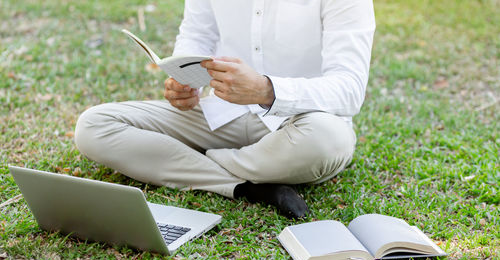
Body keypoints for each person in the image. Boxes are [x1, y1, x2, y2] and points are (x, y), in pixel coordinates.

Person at [74, 0, 376, 219]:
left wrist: (266, 89)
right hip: (219, 114)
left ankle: (194, 161)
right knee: (94, 126)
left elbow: (349, 88)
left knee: (326, 141)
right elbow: (196, 36)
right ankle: (249, 187)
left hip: (299, 124)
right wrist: (184, 81)